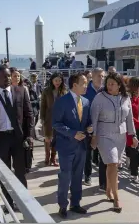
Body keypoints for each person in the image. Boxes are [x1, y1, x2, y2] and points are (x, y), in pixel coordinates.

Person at [0, 65, 33, 213]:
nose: (9, 78)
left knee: (20, 172)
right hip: (0, 139)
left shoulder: (21, 91)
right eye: (5, 76)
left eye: (10, 76)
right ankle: (9, 204)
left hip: (18, 138)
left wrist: (29, 135)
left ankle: (23, 202)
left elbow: (29, 115)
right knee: (5, 173)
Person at [90, 72, 137, 213]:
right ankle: (116, 198)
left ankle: (109, 190)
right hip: (104, 135)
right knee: (112, 163)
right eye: (108, 83)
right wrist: (94, 136)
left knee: (114, 165)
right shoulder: (99, 98)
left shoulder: (125, 98)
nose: (109, 86)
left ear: (119, 85)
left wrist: (133, 135)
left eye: (112, 84)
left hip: (120, 137)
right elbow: (94, 118)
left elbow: (130, 119)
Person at [52, 72, 91, 218]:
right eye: (84, 83)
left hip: (81, 146)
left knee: (77, 176)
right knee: (65, 176)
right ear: (75, 85)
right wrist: (73, 133)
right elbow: (56, 124)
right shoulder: (62, 101)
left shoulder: (86, 102)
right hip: (66, 145)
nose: (86, 85)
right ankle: (63, 205)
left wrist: (90, 127)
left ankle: (76, 203)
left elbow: (87, 121)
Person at [82, 67, 105, 187]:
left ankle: (103, 182)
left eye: (103, 76)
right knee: (88, 153)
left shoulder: (104, 90)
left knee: (102, 154)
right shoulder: (85, 90)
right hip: (88, 127)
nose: (101, 79)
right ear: (93, 76)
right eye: (99, 76)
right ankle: (88, 175)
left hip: (102, 126)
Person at [40, 72, 66, 166]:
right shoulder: (46, 91)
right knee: (47, 137)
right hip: (48, 117)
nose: (57, 82)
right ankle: (47, 157)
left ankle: (53, 158)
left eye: (59, 80)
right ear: (52, 80)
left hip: (60, 118)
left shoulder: (64, 91)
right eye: (56, 80)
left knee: (56, 138)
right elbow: (43, 105)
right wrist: (42, 117)